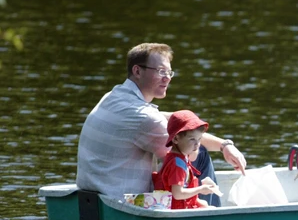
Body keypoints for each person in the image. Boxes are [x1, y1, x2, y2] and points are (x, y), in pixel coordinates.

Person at [76, 43, 246, 204]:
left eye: (169, 73)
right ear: (137, 71)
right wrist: (223, 146)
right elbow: (186, 145)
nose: (167, 79)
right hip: (125, 203)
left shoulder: (113, 97)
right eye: (160, 71)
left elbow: (169, 120)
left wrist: (224, 145)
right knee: (199, 153)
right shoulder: (144, 117)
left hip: (93, 197)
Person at [155, 110, 219, 209]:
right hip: (178, 212)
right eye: (192, 139)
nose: (197, 144)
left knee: (206, 205)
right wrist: (200, 189)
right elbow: (178, 194)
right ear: (176, 139)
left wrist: (198, 201)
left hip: (183, 206)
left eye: (199, 139)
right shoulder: (177, 165)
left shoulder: (180, 158)